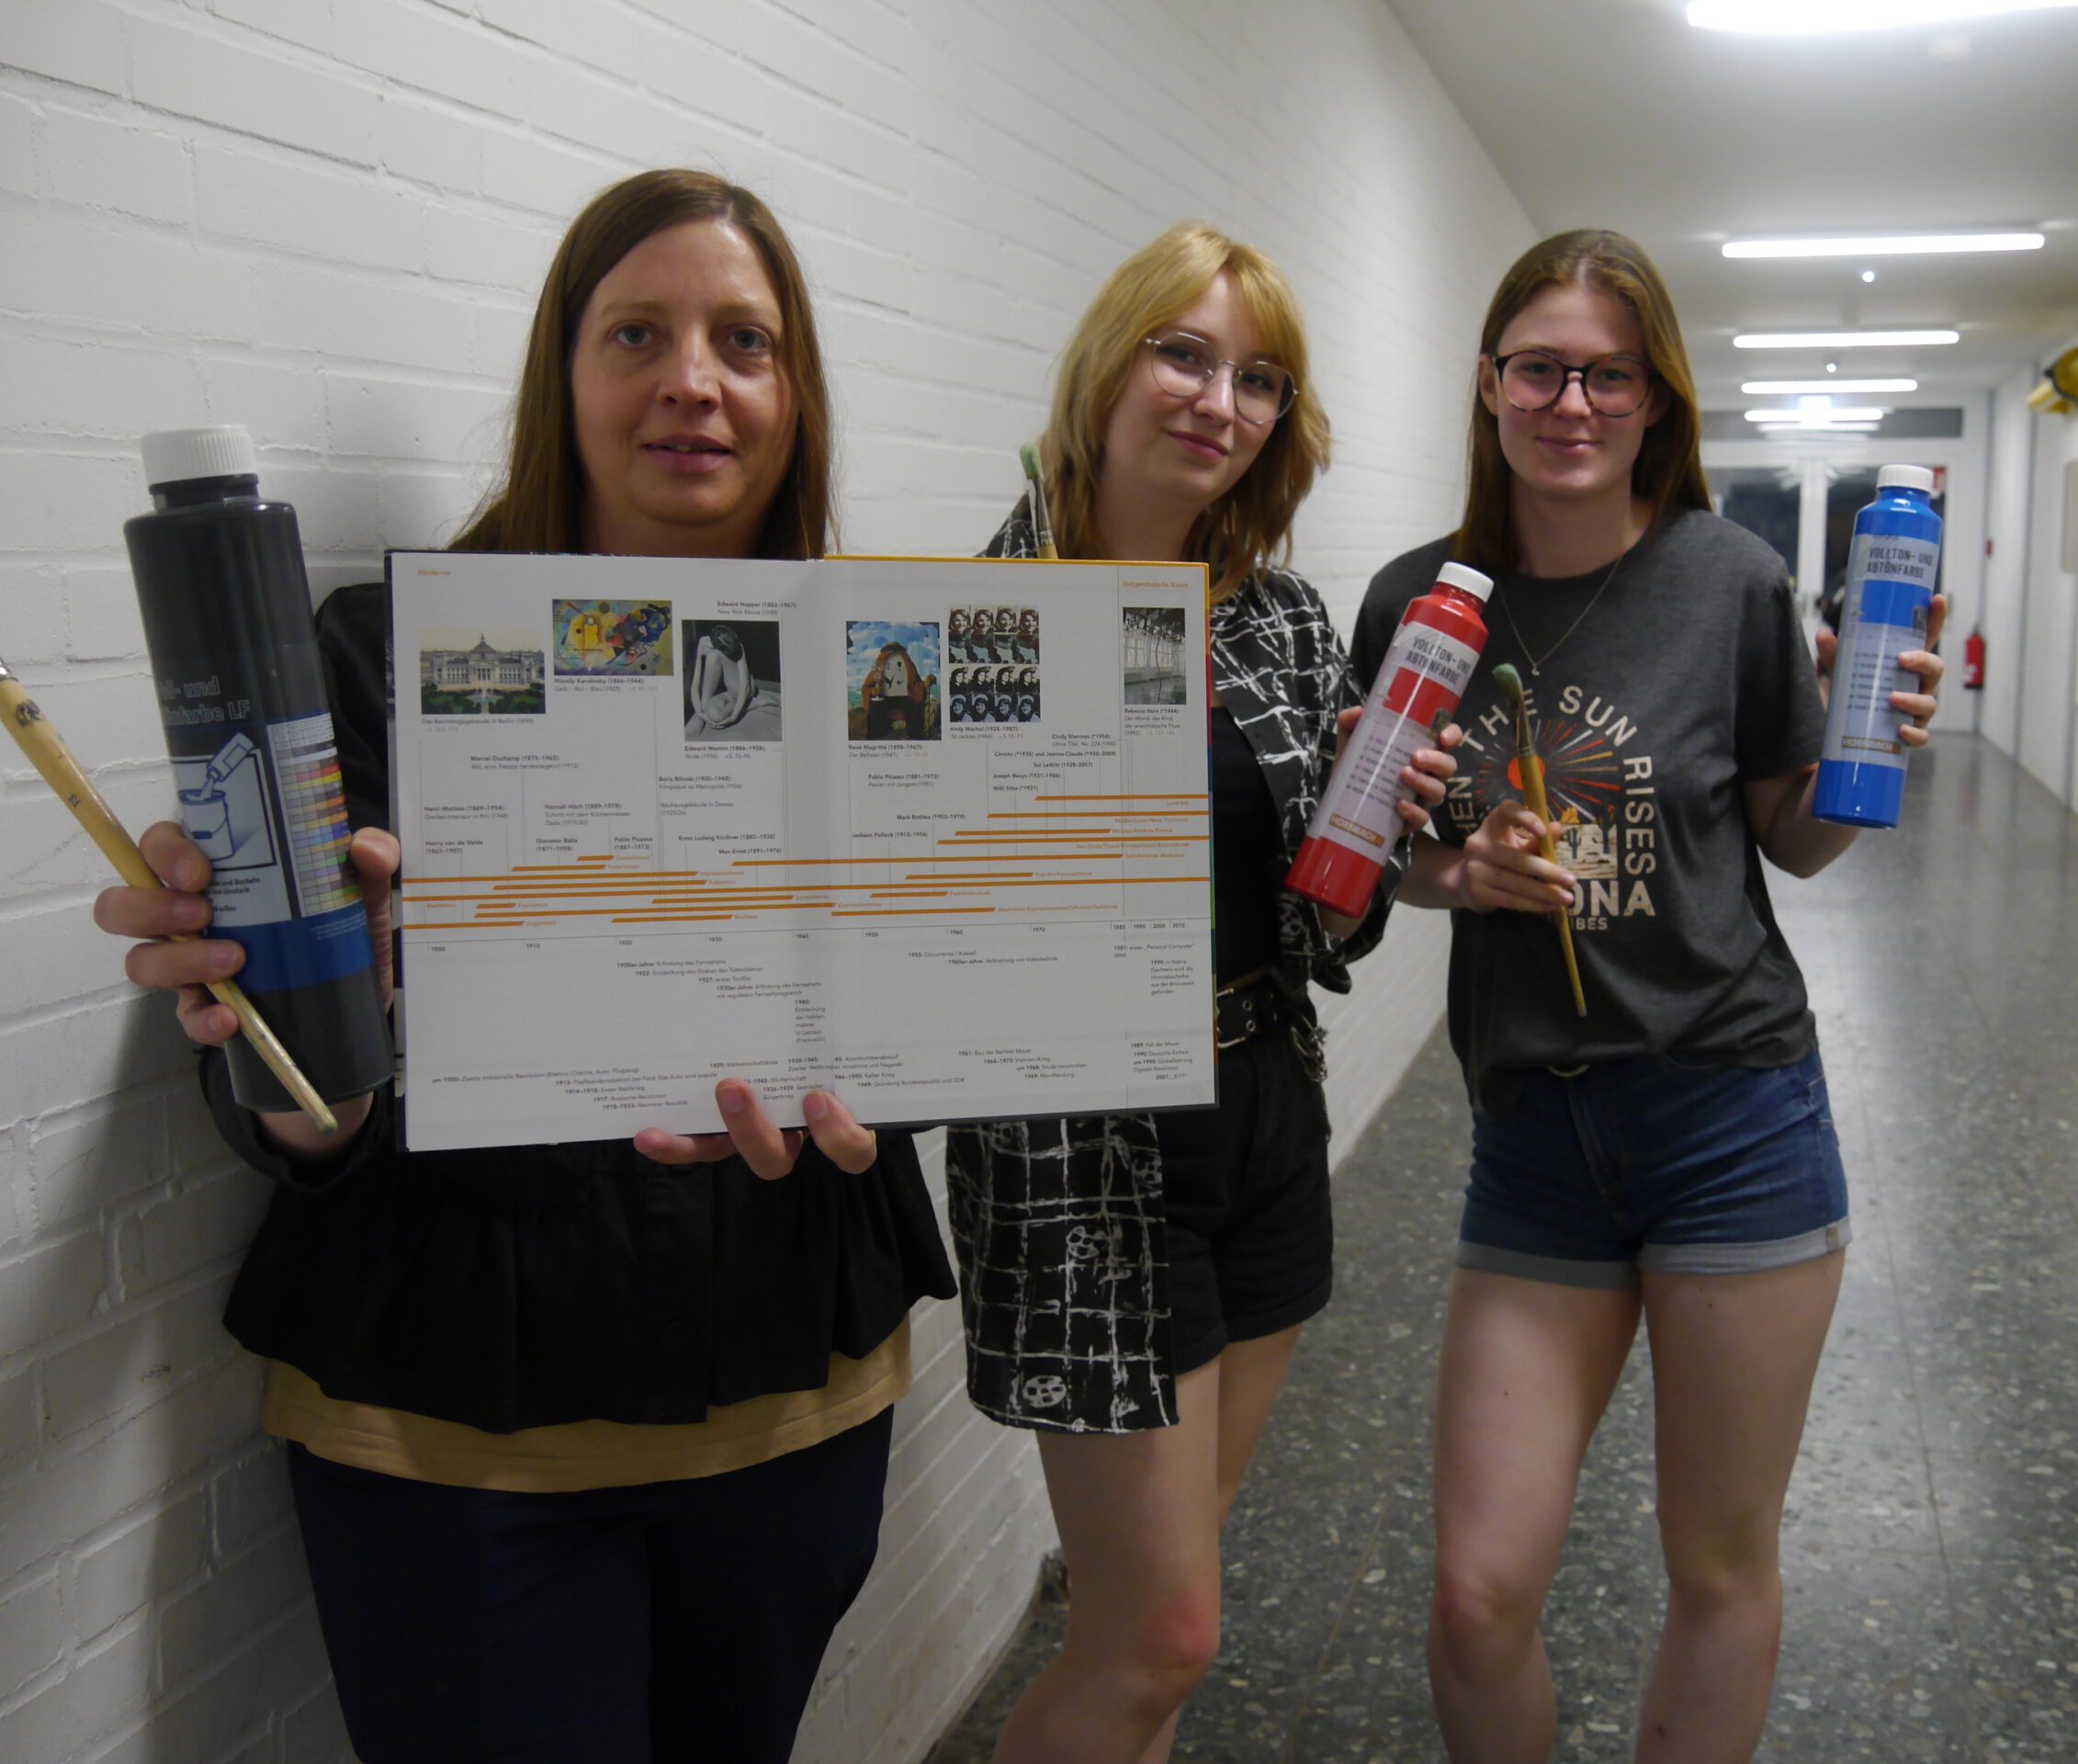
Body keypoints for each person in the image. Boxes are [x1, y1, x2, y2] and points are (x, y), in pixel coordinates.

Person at [91, 169, 954, 1764]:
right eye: (637, 333)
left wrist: (898, 1070)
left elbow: (939, 1000)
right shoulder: (372, 660)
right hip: (449, 1434)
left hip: (786, 1402)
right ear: (565, 377)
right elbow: (314, 1124)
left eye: (744, 341)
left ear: (796, 398)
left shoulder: (886, 678)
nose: (692, 379)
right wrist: (306, 1030)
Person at [1355, 229, 1945, 1764]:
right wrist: (1463, 873)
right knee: (1475, 1595)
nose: (1573, 404)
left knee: (1718, 1564)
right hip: (1534, 1136)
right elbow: (1377, 858)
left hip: (1732, 1113)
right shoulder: (1419, 598)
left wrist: (1876, 744)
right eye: (1541, 369)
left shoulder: (1728, 581)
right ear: (1488, 384)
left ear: (1656, 400)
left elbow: (1792, 843)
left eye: (1610, 376)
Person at [945, 220, 1458, 1764]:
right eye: (1184, 353)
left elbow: (1327, 925)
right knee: (1161, 1634)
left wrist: (1382, 822)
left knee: (1161, 1619)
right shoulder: (974, 623)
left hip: (1264, 1110)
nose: (1218, 401)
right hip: (1081, 1153)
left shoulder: (1279, 619)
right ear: (1108, 367)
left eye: (1258, 378)